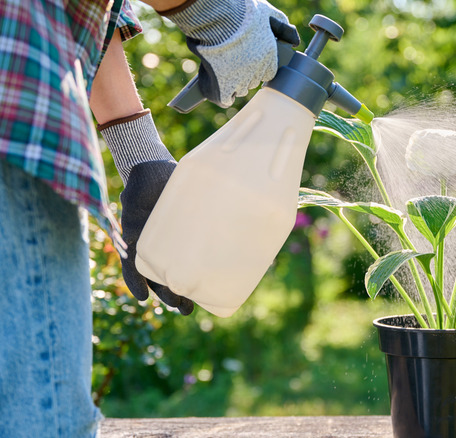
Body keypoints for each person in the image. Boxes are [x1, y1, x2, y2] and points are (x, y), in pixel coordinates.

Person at [0, 0, 299, 436]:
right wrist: (221, 15)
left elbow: (74, 15)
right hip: (15, 125)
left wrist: (140, 154)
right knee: (42, 415)